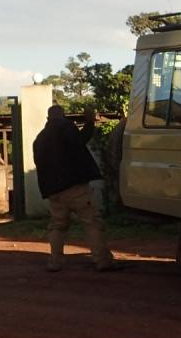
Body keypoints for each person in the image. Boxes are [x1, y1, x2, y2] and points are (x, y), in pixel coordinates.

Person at [33, 104, 122, 272]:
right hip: (75, 187)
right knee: (92, 223)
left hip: (54, 191)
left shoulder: (40, 139)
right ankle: (103, 261)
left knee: (57, 226)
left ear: (48, 118)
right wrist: (90, 122)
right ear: (63, 116)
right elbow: (81, 141)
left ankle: (55, 262)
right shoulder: (66, 127)